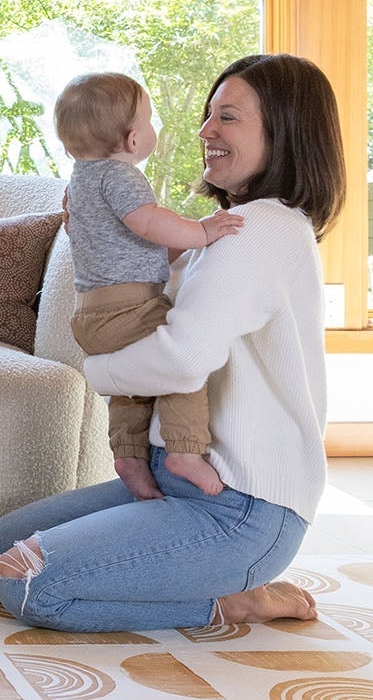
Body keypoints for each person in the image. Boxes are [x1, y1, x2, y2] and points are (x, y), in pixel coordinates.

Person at [0, 53, 344, 632]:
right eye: (208, 115)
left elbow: (179, 359)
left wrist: (97, 375)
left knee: (28, 583)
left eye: (229, 117)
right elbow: (129, 308)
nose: (206, 131)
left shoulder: (260, 229)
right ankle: (201, 581)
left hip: (238, 508)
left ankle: (228, 601)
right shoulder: (222, 234)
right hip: (175, 481)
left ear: (285, 131)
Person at [55, 72, 243, 500]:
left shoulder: (79, 181)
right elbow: (148, 223)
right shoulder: (120, 177)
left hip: (91, 313)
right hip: (129, 309)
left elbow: (128, 246)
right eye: (151, 120)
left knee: (131, 387)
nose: (155, 128)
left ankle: (128, 457)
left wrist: (176, 250)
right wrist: (203, 230)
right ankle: (185, 451)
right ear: (133, 139)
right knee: (181, 366)